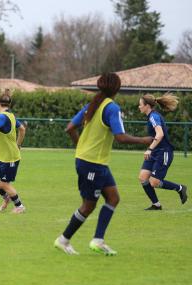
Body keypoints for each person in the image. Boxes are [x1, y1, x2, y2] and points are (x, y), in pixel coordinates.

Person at [54, 73, 153, 256]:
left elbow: (69, 128)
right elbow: (120, 137)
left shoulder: (93, 104)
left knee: (113, 198)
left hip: (95, 162)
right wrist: (144, 140)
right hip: (92, 163)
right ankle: (63, 240)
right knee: (88, 205)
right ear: (117, 88)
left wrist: (80, 147)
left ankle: (98, 240)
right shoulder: (112, 108)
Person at [138, 93, 187, 210]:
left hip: (164, 152)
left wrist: (149, 149)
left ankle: (180, 188)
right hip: (155, 152)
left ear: (147, 106)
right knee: (143, 177)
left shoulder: (153, 117)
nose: (139, 107)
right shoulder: (151, 116)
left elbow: (160, 134)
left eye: (140, 105)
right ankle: (156, 204)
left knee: (154, 182)